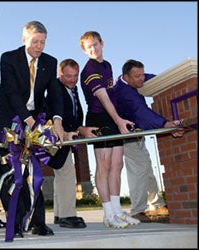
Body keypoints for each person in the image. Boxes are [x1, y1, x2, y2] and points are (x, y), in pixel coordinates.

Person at [0, 20, 65, 238]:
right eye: (35, 41)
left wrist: (57, 121)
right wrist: (30, 122)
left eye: (43, 42)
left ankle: (38, 223)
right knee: (12, 175)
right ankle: (16, 223)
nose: (39, 46)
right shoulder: (8, 58)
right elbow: (11, 93)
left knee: (35, 172)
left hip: (32, 123)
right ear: (24, 39)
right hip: (6, 121)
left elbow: (54, 93)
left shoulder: (49, 62)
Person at [78, 31, 140, 228]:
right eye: (89, 47)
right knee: (103, 166)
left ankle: (117, 210)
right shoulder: (89, 69)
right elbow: (103, 98)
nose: (93, 49)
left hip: (113, 118)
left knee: (117, 165)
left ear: (102, 43)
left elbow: (113, 95)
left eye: (95, 44)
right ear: (84, 50)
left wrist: (121, 120)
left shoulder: (108, 66)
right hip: (99, 118)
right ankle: (107, 214)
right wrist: (119, 121)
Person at [113, 59, 185, 222]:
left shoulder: (134, 81)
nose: (141, 79)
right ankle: (137, 210)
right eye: (137, 76)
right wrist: (165, 124)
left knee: (147, 169)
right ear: (126, 76)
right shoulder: (123, 92)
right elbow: (141, 113)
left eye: (142, 74)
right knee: (139, 169)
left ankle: (156, 205)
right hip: (127, 137)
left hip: (138, 136)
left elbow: (155, 79)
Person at [47, 59, 98, 229]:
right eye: (68, 76)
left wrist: (81, 129)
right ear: (60, 75)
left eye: (75, 76)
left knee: (61, 174)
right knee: (67, 173)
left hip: (68, 137)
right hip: (57, 135)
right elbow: (57, 111)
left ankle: (58, 214)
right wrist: (61, 129)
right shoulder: (55, 87)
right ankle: (67, 215)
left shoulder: (74, 90)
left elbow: (74, 115)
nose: (72, 80)